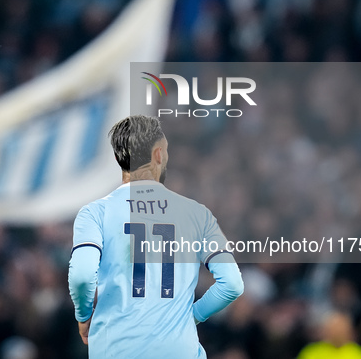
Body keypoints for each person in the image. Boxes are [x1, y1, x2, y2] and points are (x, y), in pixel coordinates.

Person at [68, 115, 244, 358]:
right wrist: (191, 316)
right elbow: (232, 284)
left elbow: (82, 275)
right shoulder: (196, 214)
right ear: (159, 154)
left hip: (116, 348)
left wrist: (83, 316)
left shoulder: (95, 213)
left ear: (120, 159)